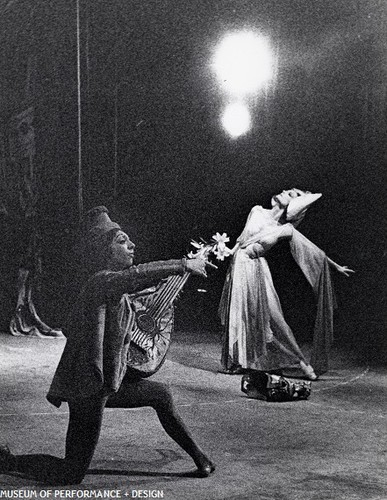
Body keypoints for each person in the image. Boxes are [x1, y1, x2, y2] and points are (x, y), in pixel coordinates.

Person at [0, 206, 215, 485]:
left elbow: (143, 285)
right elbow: (136, 275)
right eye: (122, 241)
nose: (132, 245)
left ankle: (201, 459)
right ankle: (8, 461)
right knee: (71, 473)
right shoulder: (101, 282)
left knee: (161, 395)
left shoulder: (115, 289)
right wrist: (183, 264)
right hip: (87, 387)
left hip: (103, 382)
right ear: (105, 251)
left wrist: (184, 269)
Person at [219, 189, 354, 379]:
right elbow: (241, 239)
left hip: (255, 269)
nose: (284, 191)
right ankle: (239, 361)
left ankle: (302, 363)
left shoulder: (285, 228)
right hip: (238, 266)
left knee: (273, 317)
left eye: (290, 194)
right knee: (241, 314)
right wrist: (224, 251)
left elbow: (314, 251)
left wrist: (336, 267)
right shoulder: (256, 211)